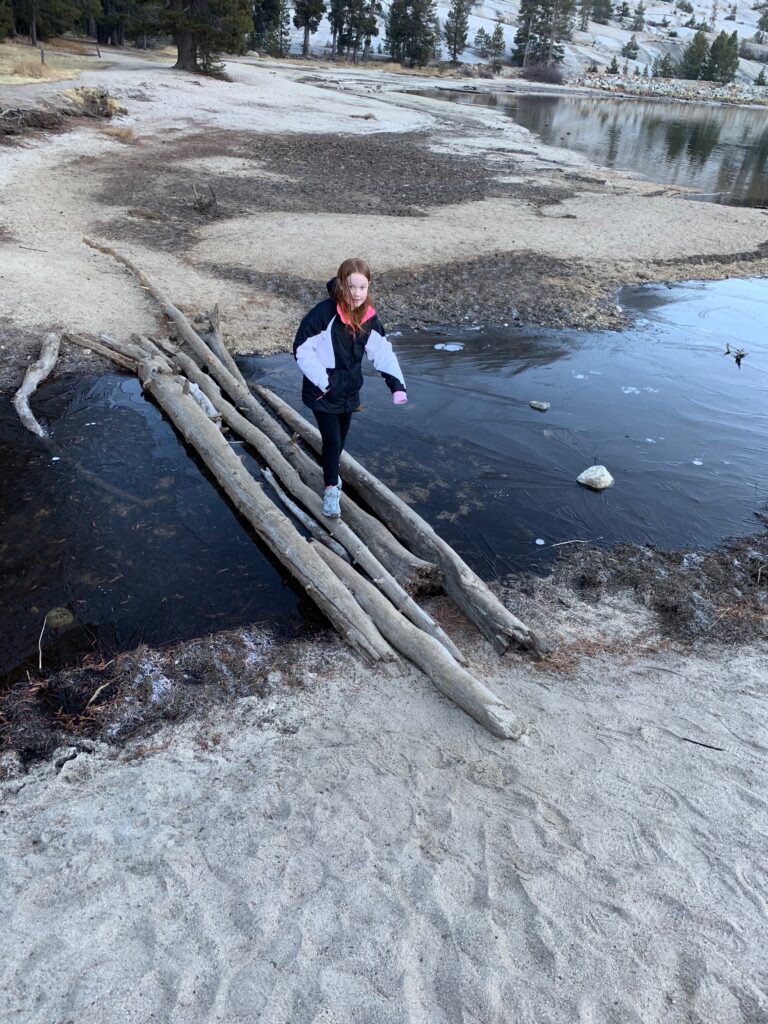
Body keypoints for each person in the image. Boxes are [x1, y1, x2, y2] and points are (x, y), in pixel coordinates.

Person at [293, 257, 407, 519]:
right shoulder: (324, 314)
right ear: (342, 285)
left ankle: (331, 471)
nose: (357, 293)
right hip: (323, 390)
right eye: (351, 287)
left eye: (362, 287)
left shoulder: (367, 316)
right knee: (332, 441)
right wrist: (325, 381)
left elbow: (382, 351)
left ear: (369, 287)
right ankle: (331, 488)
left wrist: (396, 385)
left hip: (349, 391)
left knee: (340, 439)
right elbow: (301, 349)